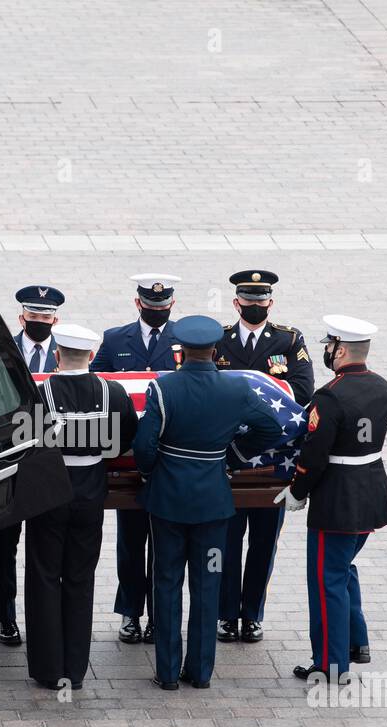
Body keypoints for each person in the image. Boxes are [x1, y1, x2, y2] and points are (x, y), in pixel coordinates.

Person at [133, 315, 283, 690]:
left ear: (180, 352)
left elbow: (143, 446)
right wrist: (230, 456)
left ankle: (167, 673)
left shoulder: (163, 388)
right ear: (215, 351)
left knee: (166, 583)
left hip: (167, 502)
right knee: (207, 585)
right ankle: (200, 672)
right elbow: (272, 428)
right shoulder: (236, 389)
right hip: (213, 504)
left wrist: (152, 475)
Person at [279, 315, 387, 681]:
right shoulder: (382, 387)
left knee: (326, 578)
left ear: (341, 349)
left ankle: (330, 664)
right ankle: (354, 641)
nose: (327, 352)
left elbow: (314, 455)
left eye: (329, 346)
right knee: (343, 569)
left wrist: (298, 491)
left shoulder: (330, 396)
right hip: (371, 490)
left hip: (338, 499)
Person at [24, 323, 138, 690]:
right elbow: (123, 442)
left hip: (50, 494)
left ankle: (47, 668)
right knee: (79, 578)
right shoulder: (114, 392)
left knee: (44, 576)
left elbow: (23, 444)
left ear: (56, 355)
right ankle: (74, 669)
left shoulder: (38, 394)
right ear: (91, 356)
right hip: (91, 492)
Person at [214, 269, 315, 644]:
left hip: (275, 460)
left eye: (261, 301)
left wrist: (248, 404)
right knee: (227, 541)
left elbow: (303, 390)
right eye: (248, 301)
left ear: (270, 303)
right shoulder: (219, 341)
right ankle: (226, 614)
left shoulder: (289, 340)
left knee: (263, 543)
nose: (255, 306)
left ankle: (252, 614)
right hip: (232, 458)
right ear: (236, 302)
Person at [91, 273, 183, 645]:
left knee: (165, 546)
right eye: (150, 306)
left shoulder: (185, 341)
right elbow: (97, 383)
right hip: (127, 460)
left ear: (172, 306)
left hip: (166, 460)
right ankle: (130, 612)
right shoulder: (115, 339)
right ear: (137, 304)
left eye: (162, 307)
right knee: (130, 545)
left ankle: (161, 616)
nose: (156, 311)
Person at [0, 285, 66, 647]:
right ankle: (5, 615)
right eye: (33, 317)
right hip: (11, 461)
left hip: (48, 461)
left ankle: (43, 615)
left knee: (45, 545)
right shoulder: (0, 350)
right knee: (5, 546)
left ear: (55, 319)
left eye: (45, 317)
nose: (39, 322)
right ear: (21, 318)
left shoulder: (65, 353)